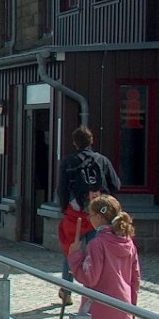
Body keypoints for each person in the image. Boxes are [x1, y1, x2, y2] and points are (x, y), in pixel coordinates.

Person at [56, 126, 121, 305]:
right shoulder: (102, 160)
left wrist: (64, 208)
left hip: (75, 213)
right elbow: (116, 184)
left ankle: (66, 290)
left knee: (72, 250)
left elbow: (61, 189)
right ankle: (93, 292)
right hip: (98, 214)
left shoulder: (68, 161)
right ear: (91, 140)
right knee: (96, 251)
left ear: (75, 142)